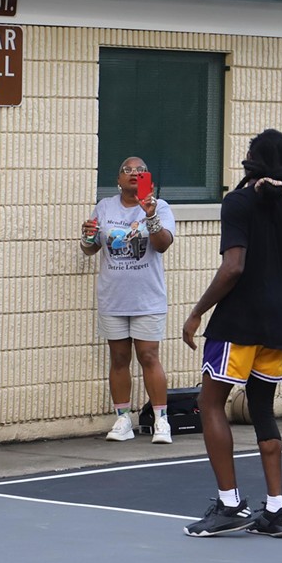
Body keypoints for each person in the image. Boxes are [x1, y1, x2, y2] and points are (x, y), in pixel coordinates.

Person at [181, 129, 282, 539]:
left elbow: (234, 266)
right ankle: (276, 509)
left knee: (210, 401)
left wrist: (197, 312)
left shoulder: (237, 203)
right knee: (262, 409)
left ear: (250, 157)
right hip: (280, 325)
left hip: (239, 322)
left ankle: (230, 503)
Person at [80, 156, 176, 444]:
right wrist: (86, 237)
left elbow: (162, 245)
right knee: (119, 358)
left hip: (147, 298)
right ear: (118, 180)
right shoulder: (105, 207)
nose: (134, 173)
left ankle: (161, 420)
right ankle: (123, 419)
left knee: (148, 356)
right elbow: (90, 249)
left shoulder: (159, 207)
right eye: (127, 170)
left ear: (149, 180)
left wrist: (150, 216)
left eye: (141, 170)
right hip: (114, 297)